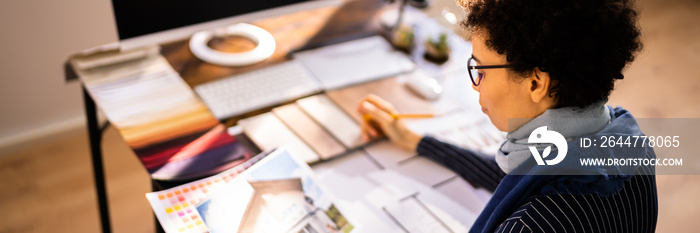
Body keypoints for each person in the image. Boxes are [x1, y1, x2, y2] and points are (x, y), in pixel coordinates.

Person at [357, 0, 658, 232]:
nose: (476, 87)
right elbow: (514, 179)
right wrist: (416, 140)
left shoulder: (533, 223)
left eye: (481, 70)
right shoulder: (627, 145)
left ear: (536, 83)